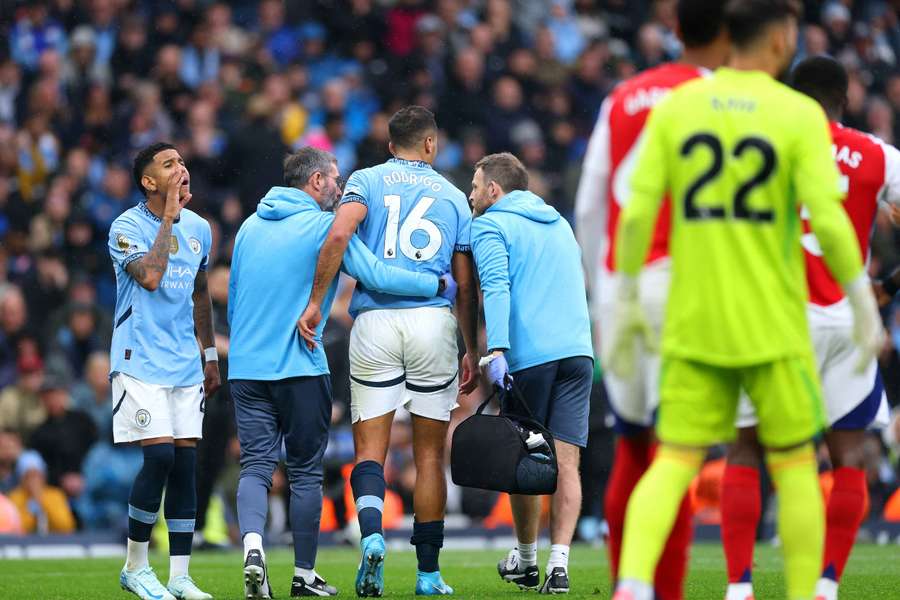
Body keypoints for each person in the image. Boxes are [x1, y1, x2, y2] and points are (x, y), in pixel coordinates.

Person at [605, 2, 884, 600]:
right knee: (793, 464)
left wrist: (625, 298)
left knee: (675, 459)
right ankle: (811, 591)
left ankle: (632, 584)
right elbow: (832, 226)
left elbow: (634, 213)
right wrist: (862, 299)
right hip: (774, 325)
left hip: (694, 318)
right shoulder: (795, 114)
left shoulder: (681, 108)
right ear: (783, 38)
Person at [229, 147, 455, 599]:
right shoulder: (323, 226)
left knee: (255, 466)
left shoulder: (248, 228)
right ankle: (303, 574)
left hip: (247, 368)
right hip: (299, 364)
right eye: (334, 178)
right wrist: (434, 283)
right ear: (315, 181)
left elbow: (234, 299)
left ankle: (253, 546)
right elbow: (374, 273)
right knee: (305, 474)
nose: (340, 186)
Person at [721, 55, 900, 600]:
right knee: (847, 457)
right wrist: (889, 285)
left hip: (771, 318)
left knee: (747, 452)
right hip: (846, 321)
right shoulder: (878, 155)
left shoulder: (758, 147)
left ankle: (739, 587)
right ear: (843, 100)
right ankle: (826, 585)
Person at [573, 1, 730, 596]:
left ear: (674, 29)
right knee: (679, 451)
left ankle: (628, 583)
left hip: (623, 288)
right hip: (695, 287)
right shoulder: (729, 98)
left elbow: (590, 206)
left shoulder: (625, 98)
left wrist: (600, 292)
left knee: (634, 443)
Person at [297, 106, 479, 597]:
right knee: (427, 455)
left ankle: (373, 535)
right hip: (432, 324)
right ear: (430, 145)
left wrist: (317, 302)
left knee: (369, 452)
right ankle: (427, 573)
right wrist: (472, 346)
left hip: (374, 321)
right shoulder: (454, 197)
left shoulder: (367, 180)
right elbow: (464, 284)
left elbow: (338, 234)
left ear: (388, 144)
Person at [469, 152, 593, 594]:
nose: (471, 192)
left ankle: (525, 560)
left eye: (475, 184)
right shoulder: (558, 221)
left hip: (530, 355)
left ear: (494, 191)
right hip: (579, 352)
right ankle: (559, 565)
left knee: (523, 458)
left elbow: (496, 287)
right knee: (567, 462)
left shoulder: (489, 225)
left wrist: (496, 347)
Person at [108, 142, 220, 600]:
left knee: (186, 465)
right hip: (139, 360)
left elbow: (199, 295)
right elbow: (151, 277)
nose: (182, 169)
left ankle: (179, 576)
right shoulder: (126, 227)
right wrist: (169, 218)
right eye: (169, 164)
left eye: (183, 162)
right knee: (159, 458)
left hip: (183, 363)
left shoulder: (200, 229)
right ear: (148, 182)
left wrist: (210, 355)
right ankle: (135, 566)